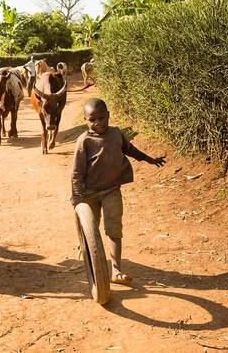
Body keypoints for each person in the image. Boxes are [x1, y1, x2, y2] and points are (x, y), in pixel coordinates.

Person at [71, 98, 165, 285]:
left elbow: (129, 149)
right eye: (92, 120)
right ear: (85, 120)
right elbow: (76, 172)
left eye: (102, 117)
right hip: (89, 193)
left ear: (108, 115)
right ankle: (88, 254)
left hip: (111, 190)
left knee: (114, 228)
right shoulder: (85, 141)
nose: (98, 123)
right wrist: (77, 197)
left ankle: (116, 269)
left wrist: (149, 159)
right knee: (91, 229)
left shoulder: (116, 134)